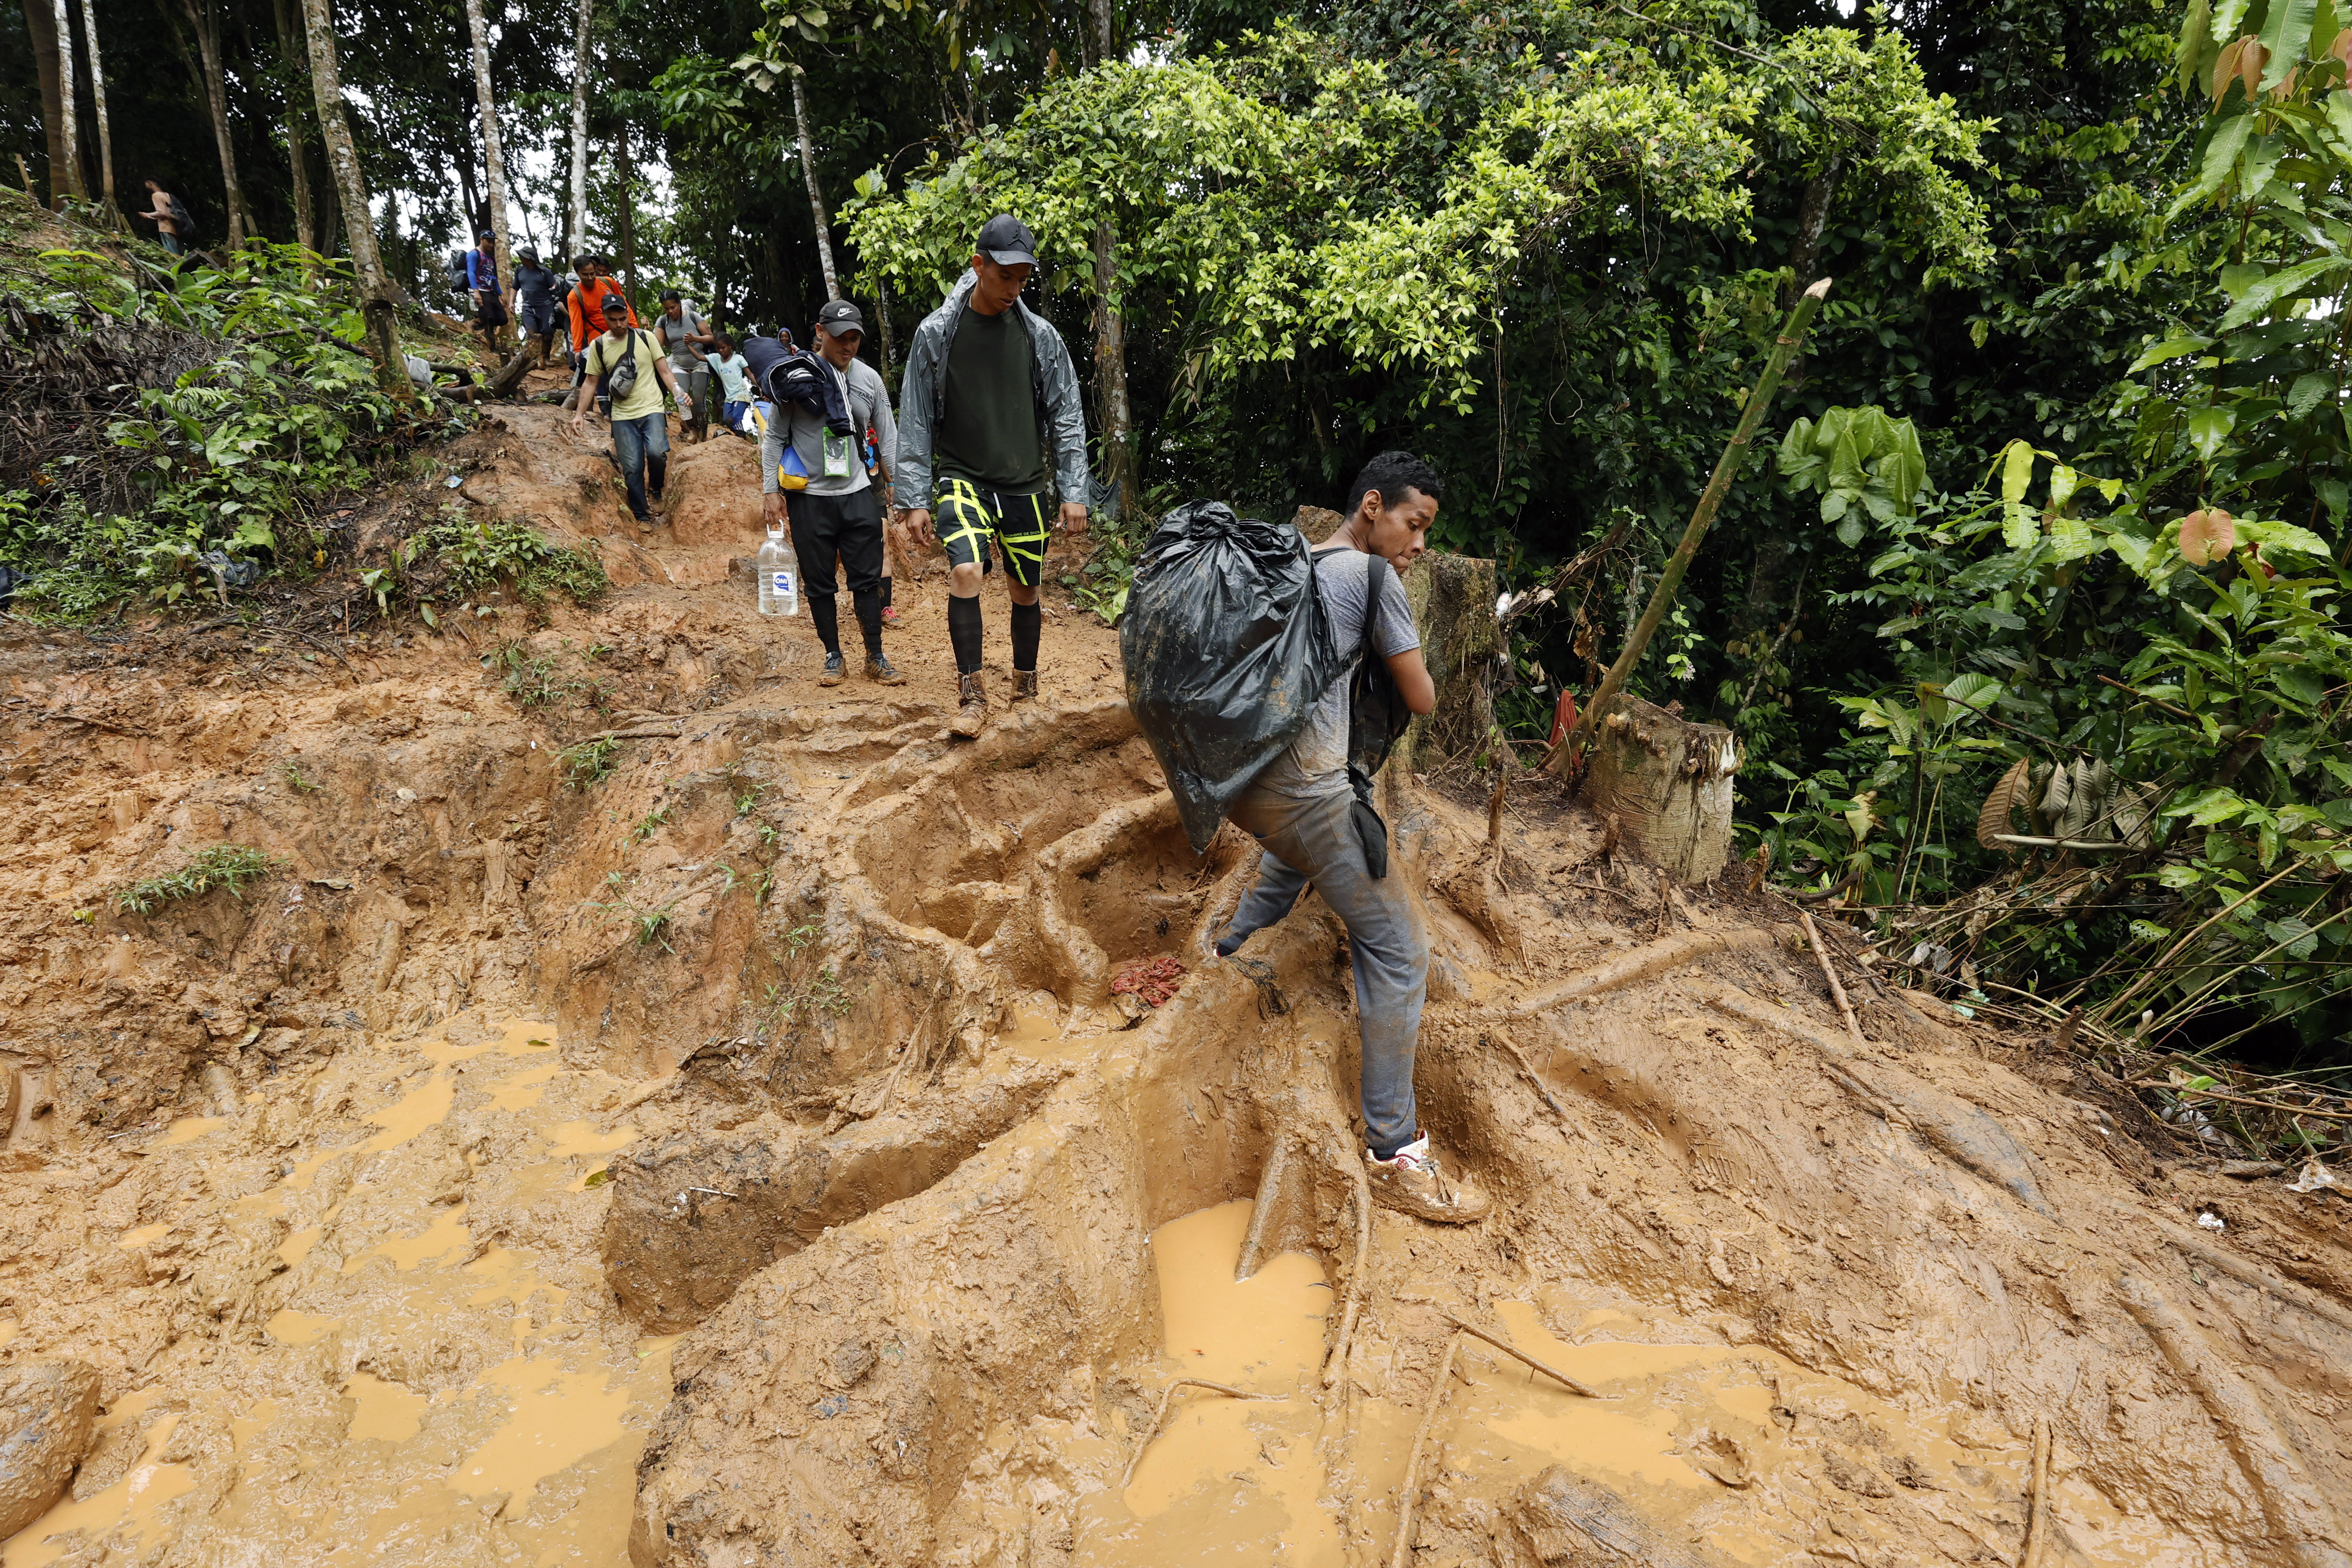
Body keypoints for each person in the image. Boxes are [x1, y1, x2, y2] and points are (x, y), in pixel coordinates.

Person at [1209, 450, 1487, 1225]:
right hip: (1311, 792)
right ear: (1373, 505)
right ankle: (1395, 1149)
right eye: (1414, 523)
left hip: (1247, 788)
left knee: (1294, 851)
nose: (1420, 544)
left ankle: (1222, 955)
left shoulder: (1292, 555)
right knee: (1400, 951)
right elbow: (1424, 699)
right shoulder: (1371, 580)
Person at [895, 214, 1089, 736]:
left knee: (1026, 589)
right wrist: (913, 497)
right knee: (965, 572)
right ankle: (972, 697)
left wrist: (1074, 490)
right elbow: (913, 416)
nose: (1014, 288)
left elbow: (1067, 412)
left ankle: (1024, 689)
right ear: (979, 265)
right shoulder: (937, 334)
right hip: (961, 477)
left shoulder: (1040, 337)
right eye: (1005, 276)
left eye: (1024, 278)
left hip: (1025, 482)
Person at [766, 300, 904, 687]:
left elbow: (888, 436)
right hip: (809, 497)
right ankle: (833, 657)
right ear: (820, 332)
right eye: (841, 337)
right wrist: (769, 491)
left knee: (867, 578)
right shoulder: (797, 377)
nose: (848, 346)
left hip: (859, 491)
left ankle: (875, 656)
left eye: (855, 338)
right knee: (819, 582)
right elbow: (775, 435)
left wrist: (898, 487)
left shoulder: (869, 380)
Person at [569, 293, 692, 528]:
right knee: (632, 468)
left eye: (623, 319)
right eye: (613, 320)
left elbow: (665, 371)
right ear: (604, 318)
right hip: (622, 415)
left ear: (628, 316)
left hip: (652, 407)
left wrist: (678, 393)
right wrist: (579, 414)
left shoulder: (646, 338)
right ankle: (641, 515)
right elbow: (591, 382)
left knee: (657, 452)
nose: (619, 324)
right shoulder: (599, 346)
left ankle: (656, 488)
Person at [567, 257, 635, 417]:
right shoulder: (575, 295)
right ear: (577, 274)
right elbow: (576, 323)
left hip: (622, 334)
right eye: (586, 275)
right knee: (601, 372)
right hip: (597, 338)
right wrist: (577, 349)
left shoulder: (608, 283)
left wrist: (635, 329)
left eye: (593, 273)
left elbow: (625, 306)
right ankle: (606, 410)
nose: (590, 278)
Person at [655, 290, 716, 441]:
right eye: (666, 308)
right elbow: (656, 344)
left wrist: (695, 338)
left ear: (679, 304)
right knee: (681, 397)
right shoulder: (663, 321)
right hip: (678, 364)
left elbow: (711, 338)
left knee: (697, 399)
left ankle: (702, 436)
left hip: (699, 363)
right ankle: (691, 430)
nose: (670, 311)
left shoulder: (693, 317)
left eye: (673, 307)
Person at [513, 249, 563, 365]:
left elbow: (554, 288)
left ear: (531, 258)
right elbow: (515, 287)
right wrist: (511, 302)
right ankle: (534, 359)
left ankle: (546, 358)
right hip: (528, 307)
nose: (521, 258)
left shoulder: (544, 272)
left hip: (545, 306)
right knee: (531, 332)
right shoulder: (520, 270)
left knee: (547, 332)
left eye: (523, 257)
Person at [466, 233, 507, 357]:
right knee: (490, 318)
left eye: (492, 242)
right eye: (488, 242)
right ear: (481, 240)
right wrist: (476, 291)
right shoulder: (474, 254)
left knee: (502, 318)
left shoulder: (490, 258)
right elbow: (471, 272)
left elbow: (493, 277)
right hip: (480, 290)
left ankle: (476, 322)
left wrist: (500, 293)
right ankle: (492, 348)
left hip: (491, 291)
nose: (491, 244)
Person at [707, 334, 752, 432]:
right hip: (729, 397)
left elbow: (750, 375)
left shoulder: (738, 359)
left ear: (730, 346)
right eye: (718, 348)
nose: (721, 350)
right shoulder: (717, 359)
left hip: (741, 394)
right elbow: (699, 357)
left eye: (723, 348)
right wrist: (688, 344)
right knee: (727, 419)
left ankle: (741, 436)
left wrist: (760, 387)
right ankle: (740, 435)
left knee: (736, 418)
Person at [138, 180, 189, 255]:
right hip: (176, 227)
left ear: (150, 183)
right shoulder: (167, 195)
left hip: (166, 227)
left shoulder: (156, 195)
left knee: (172, 253)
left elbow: (162, 213)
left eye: (146, 184)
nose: (146, 187)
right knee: (178, 250)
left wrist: (146, 215)